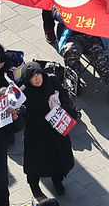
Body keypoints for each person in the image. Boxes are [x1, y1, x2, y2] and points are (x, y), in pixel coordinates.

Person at [17, 61, 79, 197]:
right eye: (33, 76)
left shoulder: (51, 80)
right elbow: (22, 115)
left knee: (58, 158)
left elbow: (63, 94)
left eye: (39, 74)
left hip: (55, 129)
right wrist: (23, 112)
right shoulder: (23, 93)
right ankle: (35, 187)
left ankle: (57, 181)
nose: (37, 78)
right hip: (36, 133)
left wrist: (63, 106)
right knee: (35, 164)